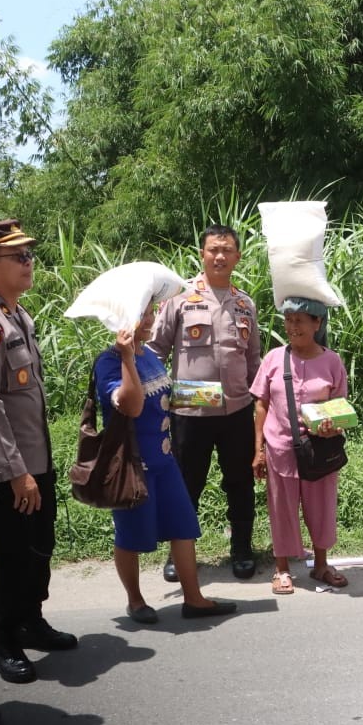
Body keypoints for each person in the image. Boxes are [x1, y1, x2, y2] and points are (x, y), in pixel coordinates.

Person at [0, 219, 77, 686]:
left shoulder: (16, 315)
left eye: (29, 255)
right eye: (18, 257)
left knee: (38, 546)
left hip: (34, 460)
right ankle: (5, 637)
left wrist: (33, 468)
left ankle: (32, 621)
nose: (29, 263)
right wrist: (15, 473)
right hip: (8, 469)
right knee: (9, 553)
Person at [96, 305, 237, 623]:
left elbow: (165, 396)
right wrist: (127, 358)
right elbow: (131, 407)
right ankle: (135, 601)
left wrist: (218, 395)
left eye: (149, 313)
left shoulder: (149, 355)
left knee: (183, 527)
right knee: (130, 535)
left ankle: (194, 599)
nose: (148, 320)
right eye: (141, 314)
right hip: (133, 467)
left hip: (165, 460)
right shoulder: (109, 362)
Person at [147, 224, 261, 582]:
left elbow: (254, 361)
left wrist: (263, 407)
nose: (220, 256)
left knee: (240, 483)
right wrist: (154, 398)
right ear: (202, 253)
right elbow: (154, 351)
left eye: (227, 250)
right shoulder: (180, 300)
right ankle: (178, 553)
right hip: (189, 411)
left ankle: (242, 549)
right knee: (185, 484)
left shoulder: (245, 304)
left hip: (237, 411)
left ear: (237, 256)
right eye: (213, 249)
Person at [250, 297, 350, 594]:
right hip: (280, 449)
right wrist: (259, 449)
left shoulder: (332, 362)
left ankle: (321, 565)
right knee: (281, 509)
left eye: (300, 320)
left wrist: (334, 426)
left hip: (319, 450)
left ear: (317, 323)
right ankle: (282, 570)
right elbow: (261, 405)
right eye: (289, 319)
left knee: (321, 507)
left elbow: (341, 407)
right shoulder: (273, 359)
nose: (293, 327)